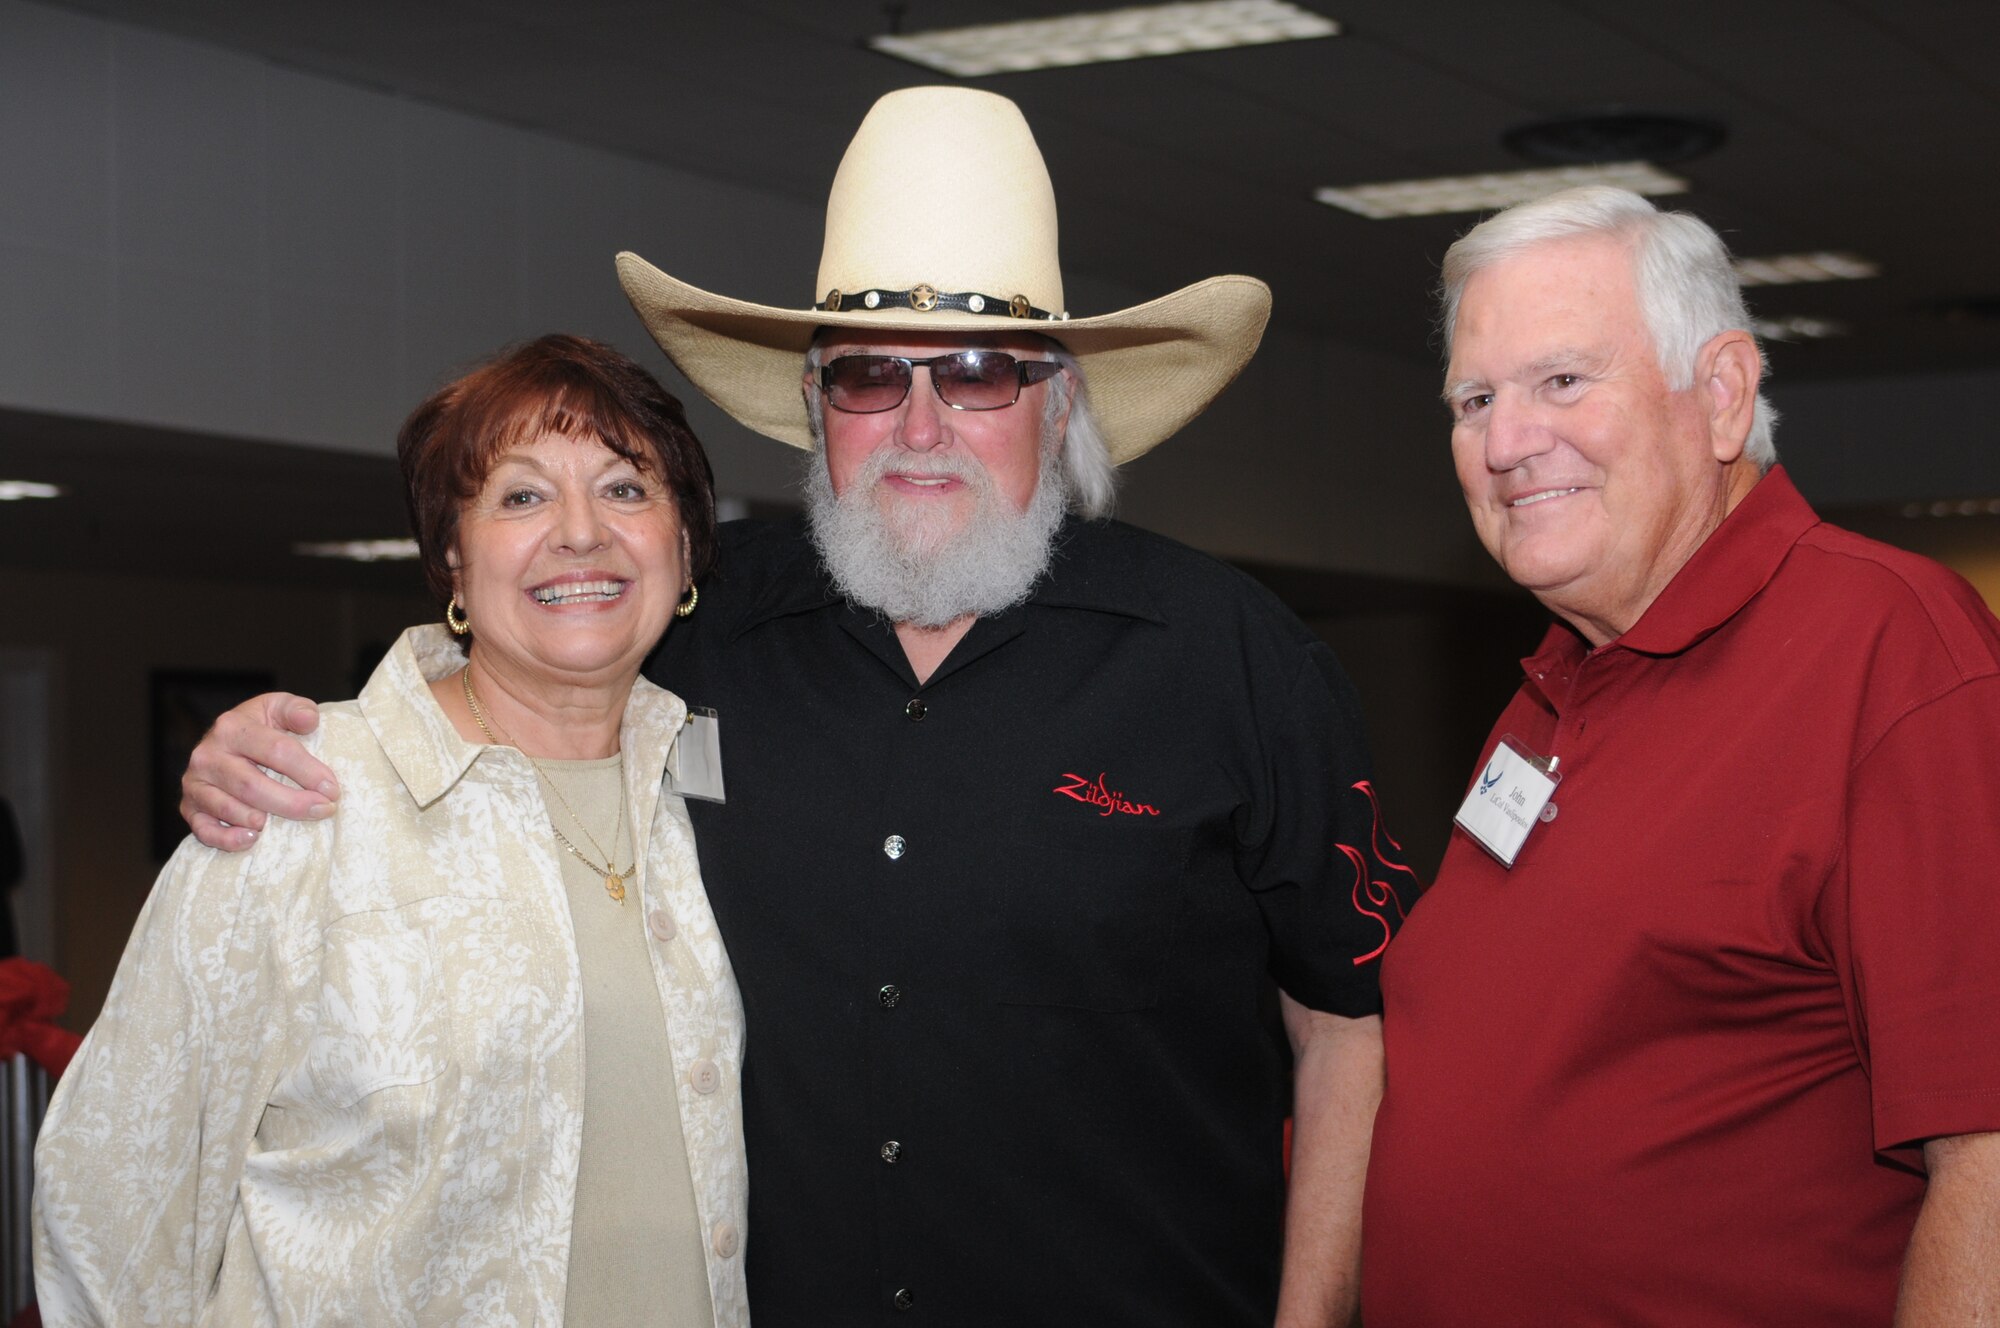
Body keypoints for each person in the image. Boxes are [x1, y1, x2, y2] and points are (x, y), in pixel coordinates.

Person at [179, 88, 1409, 1327]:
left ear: (1060, 402)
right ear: (815, 409)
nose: (919, 426)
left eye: (978, 376)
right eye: (871, 376)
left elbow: (1346, 1034)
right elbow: (513, 673)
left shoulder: (1230, 659)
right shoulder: (697, 630)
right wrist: (297, 749)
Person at [1362, 186, 2000, 1324]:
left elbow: (1988, 1159)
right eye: (1473, 397)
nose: (1505, 442)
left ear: (1719, 396)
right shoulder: (1548, 688)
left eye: (1561, 380)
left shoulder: (1893, 652)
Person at [37, 335, 748, 1326]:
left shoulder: (720, 795)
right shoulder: (301, 799)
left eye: (627, 489)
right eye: (521, 495)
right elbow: (113, 1199)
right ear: (451, 555)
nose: (581, 531)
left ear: (683, 546)